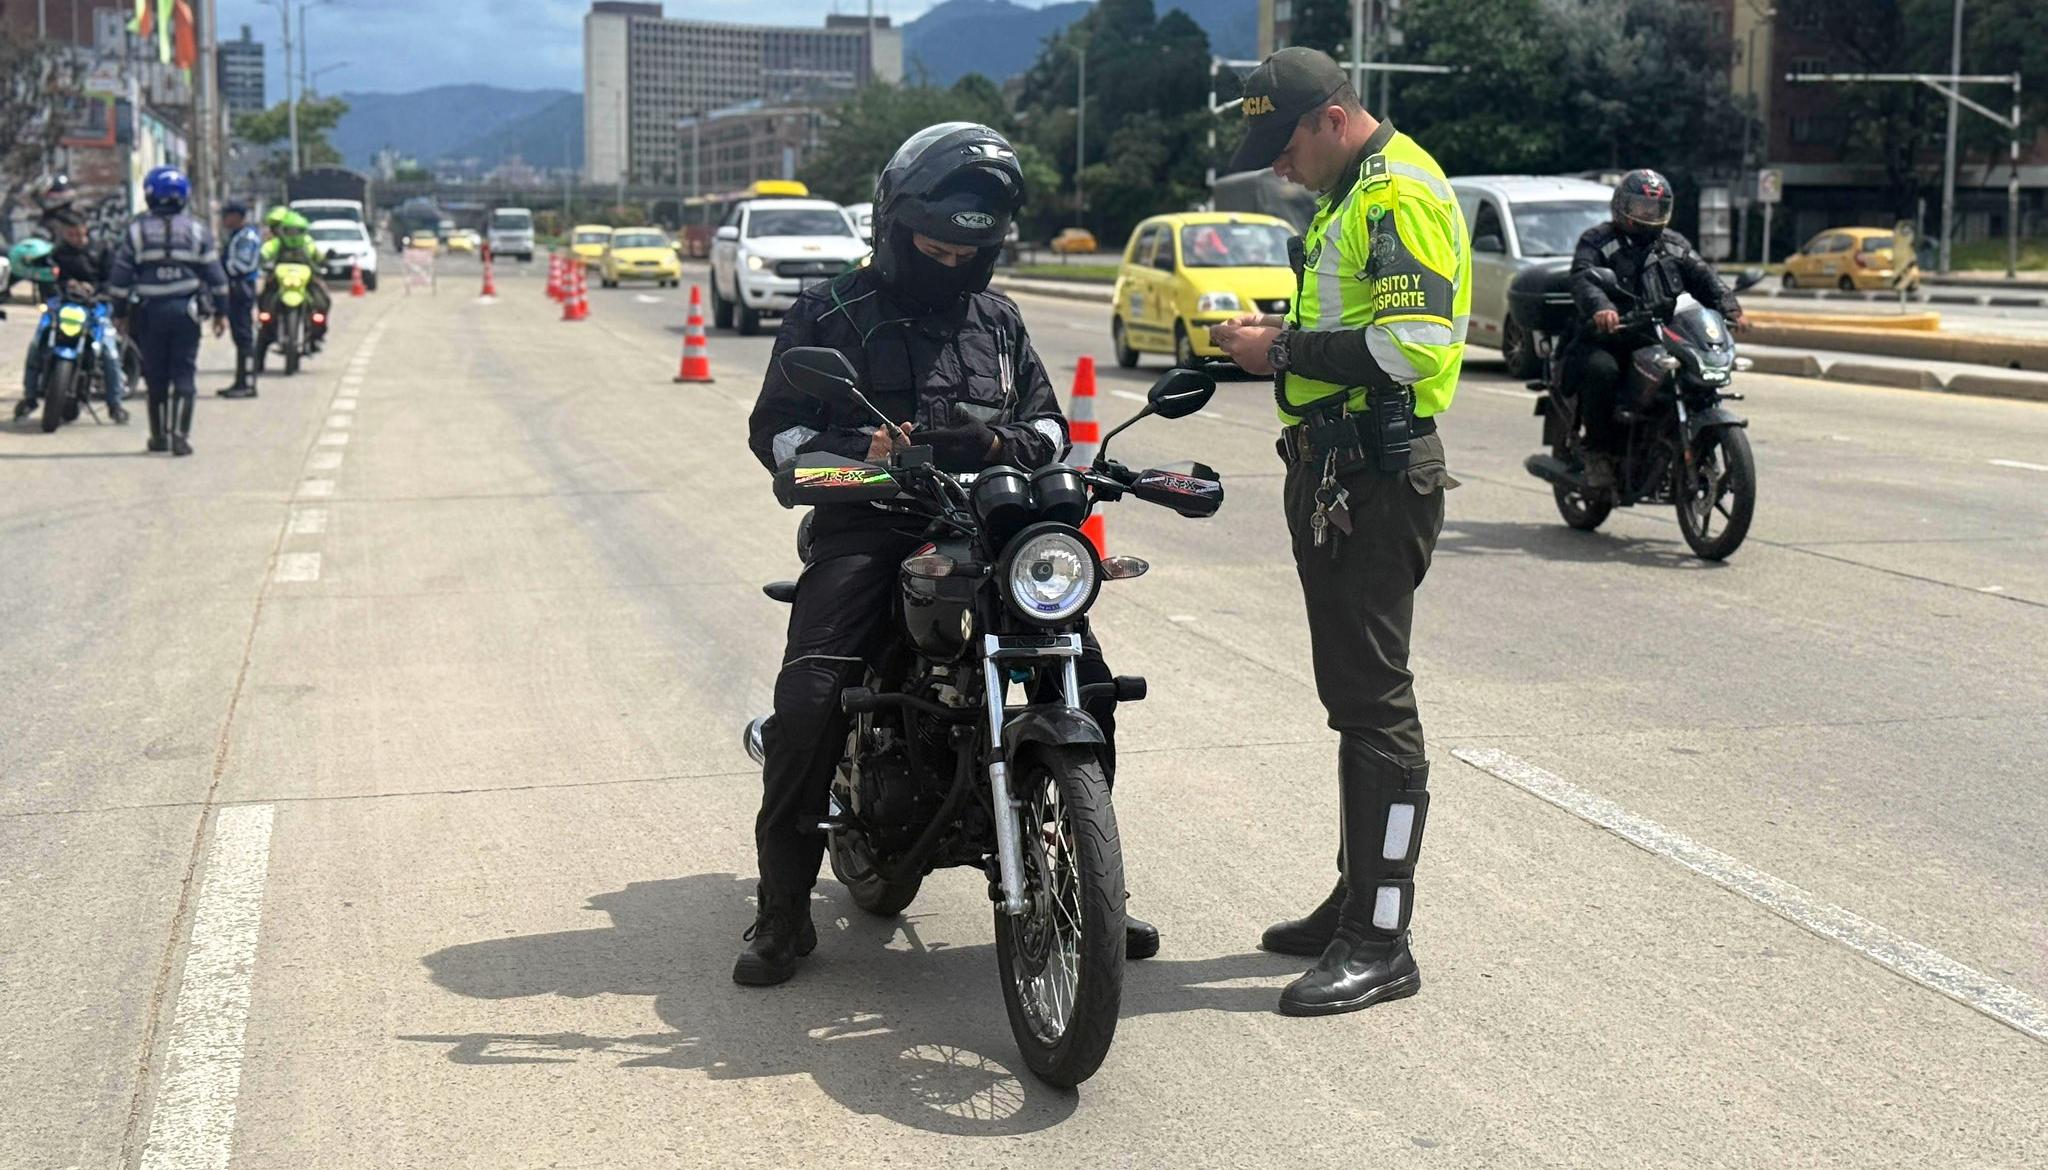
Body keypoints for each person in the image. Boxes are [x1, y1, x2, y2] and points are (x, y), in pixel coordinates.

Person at [740, 122, 1155, 987]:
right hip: (871, 523)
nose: (953, 264)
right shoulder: (830, 312)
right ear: (895, 226)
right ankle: (781, 910)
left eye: (970, 252)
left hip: (988, 525)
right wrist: (861, 455)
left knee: (1085, 675)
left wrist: (999, 440)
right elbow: (778, 435)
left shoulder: (998, 321)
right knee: (810, 698)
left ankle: (1088, 883)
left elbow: (1051, 425)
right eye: (935, 248)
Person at [1208, 47, 1467, 1017]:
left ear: (1330, 117)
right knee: (1351, 698)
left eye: (1282, 146)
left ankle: (1380, 937)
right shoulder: (1347, 194)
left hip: (1375, 473)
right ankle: (1355, 895)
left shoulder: (1395, 194)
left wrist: (1277, 347)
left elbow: (1412, 346)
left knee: (1374, 705)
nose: (1277, 166)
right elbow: (1355, 319)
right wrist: (1279, 337)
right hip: (1336, 465)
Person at [1563, 168, 1746, 490]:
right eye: (1642, 207)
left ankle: (1677, 438)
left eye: (1656, 208)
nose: (1650, 214)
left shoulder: (1673, 244)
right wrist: (1602, 308)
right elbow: (1582, 277)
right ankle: (1598, 453)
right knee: (1602, 371)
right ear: (1622, 206)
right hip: (1607, 336)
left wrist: (1730, 307)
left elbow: (1704, 276)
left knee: (1689, 373)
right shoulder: (1598, 241)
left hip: (1655, 334)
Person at [105, 166, 229, 457]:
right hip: (186, 311)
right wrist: (221, 313)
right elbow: (216, 276)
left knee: (155, 374)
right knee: (184, 372)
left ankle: (159, 436)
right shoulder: (198, 230)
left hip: (150, 312)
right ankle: (181, 436)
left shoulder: (136, 231)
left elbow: (120, 278)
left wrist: (119, 313)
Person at [11, 220, 130, 425]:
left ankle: (115, 405)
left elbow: (113, 279)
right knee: (36, 346)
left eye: (78, 233)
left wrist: (95, 290)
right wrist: (65, 285)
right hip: (61, 305)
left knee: (109, 353)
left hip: (96, 307)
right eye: (70, 234)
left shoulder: (103, 251)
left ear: (85, 230)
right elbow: (47, 276)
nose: (75, 238)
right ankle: (29, 398)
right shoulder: (56, 253)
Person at [259, 211, 332, 353]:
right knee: (264, 299)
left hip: (306, 281)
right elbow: (265, 252)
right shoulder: (277, 242)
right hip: (280, 281)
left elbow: (319, 257)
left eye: (297, 231)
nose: (293, 235)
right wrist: (260, 259)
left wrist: (325, 259)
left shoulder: (308, 242)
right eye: (289, 231)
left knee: (323, 300)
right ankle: (266, 332)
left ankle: (316, 335)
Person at [217, 202, 264, 399]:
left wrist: (220, 267)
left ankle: (248, 383)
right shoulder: (236, 236)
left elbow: (243, 265)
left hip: (241, 288)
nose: (224, 220)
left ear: (237, 216)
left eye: (227, 215)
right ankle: (240, 381)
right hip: (235, 288)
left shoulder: (247, 238)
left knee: (244, 337)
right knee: (238, 336)